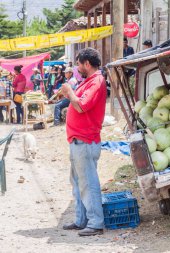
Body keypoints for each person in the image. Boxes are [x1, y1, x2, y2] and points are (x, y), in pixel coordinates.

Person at [61, 47, 107, 236]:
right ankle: (82, 220)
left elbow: (80, 106)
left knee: (88, 182)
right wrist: (70, 94)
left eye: (79, 63)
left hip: (85, 141)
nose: (77, 67)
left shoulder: (96, 81)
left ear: (87, 64)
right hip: (78, 141)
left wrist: (70, 92)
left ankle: (95, 223)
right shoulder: (88, 81)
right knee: (78, 182)